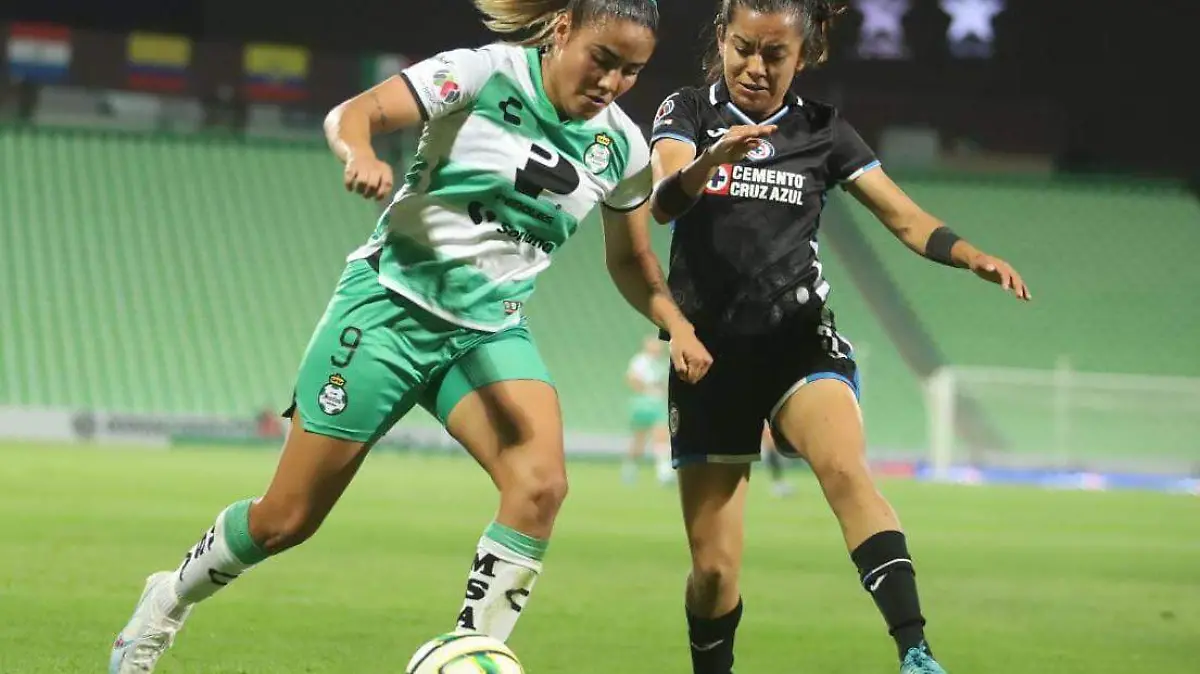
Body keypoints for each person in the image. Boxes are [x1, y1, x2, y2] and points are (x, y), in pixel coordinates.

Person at [109, 1, 713, 671]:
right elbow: (354, 113)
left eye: (631, 71)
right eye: (603, 60)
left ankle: (469, 654)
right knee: (286, 519)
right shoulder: (482, 74)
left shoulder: (623, 147)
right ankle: (167, 599)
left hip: (486, 332)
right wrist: (360, 152)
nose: (612, 82)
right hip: (388, 310)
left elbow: (631, 261)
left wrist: (676, 323)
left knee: (540, 485)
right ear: (563, 29)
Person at [647, 1, 1031, 673]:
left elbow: (906, 220)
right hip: (709, 359)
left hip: (798, 343)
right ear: (722, 39)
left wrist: (972, 254)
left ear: (803, 56)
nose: (756, 68)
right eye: (744, 49)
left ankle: (916, 651)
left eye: (776, 56)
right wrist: (711, 160)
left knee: (847, 470)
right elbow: (664, 201)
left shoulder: (822, 130)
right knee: (713, 572)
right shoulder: (686, 111)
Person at [623, 335, 674, 485]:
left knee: (661, 434)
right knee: (639, 439)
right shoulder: (639, 361)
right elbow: (631, 379)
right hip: (642, 403)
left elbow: (666, 383)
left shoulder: (663, 363)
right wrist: (647, 388)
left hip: (658, 404)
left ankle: (663, 473)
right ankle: (630, 467)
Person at [759, 422, 795, 497]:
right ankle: (777, 485)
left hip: (770, 448)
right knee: (773, 460)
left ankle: (778, 484)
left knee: (775, 461)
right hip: (768, 448)